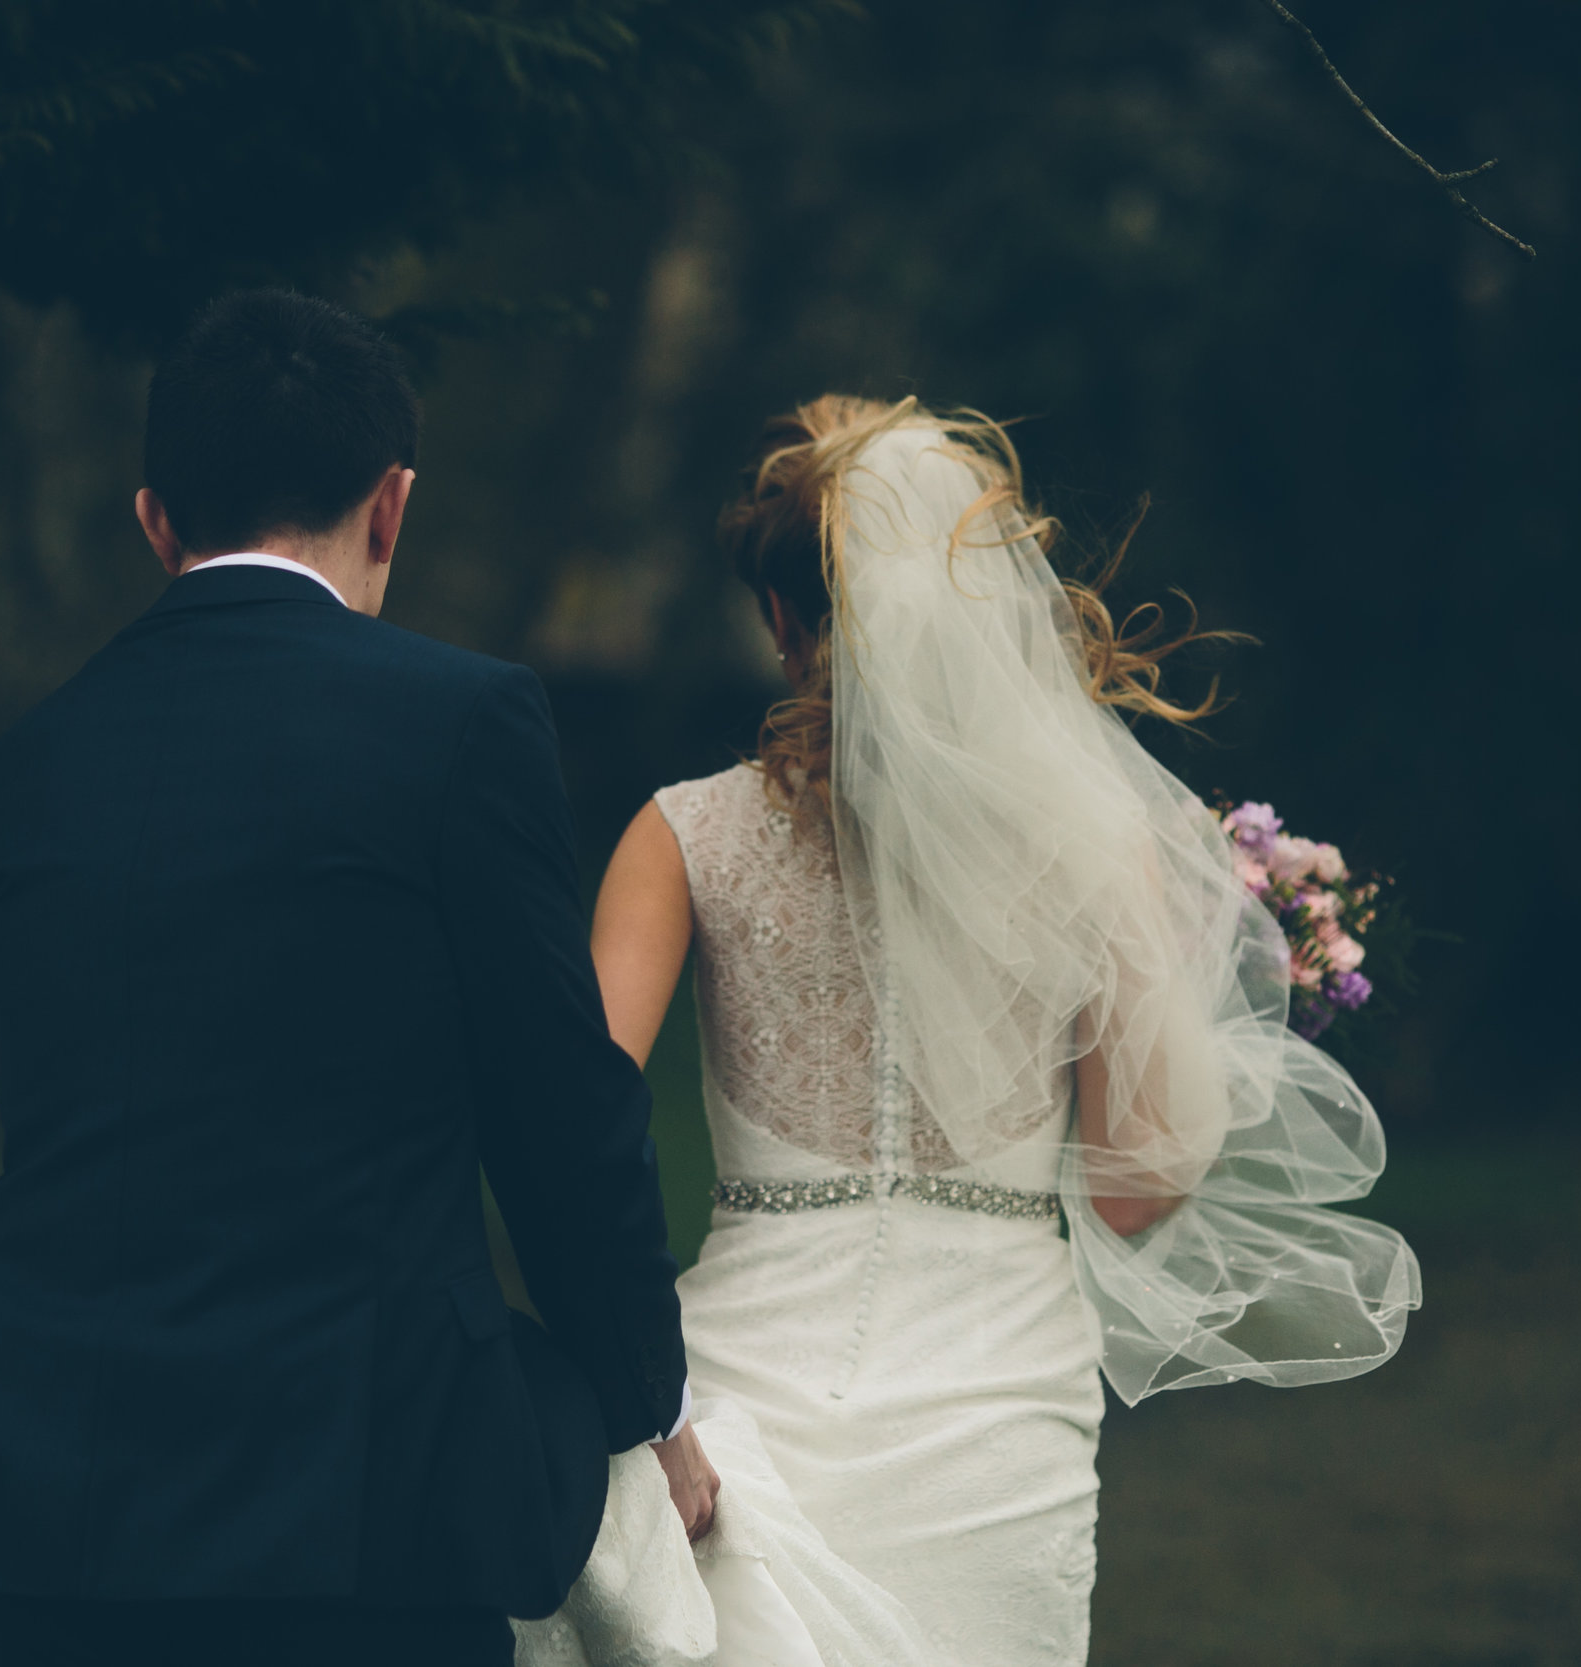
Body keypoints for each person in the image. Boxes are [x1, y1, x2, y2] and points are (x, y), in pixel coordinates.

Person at [0, 288, 718, 1667]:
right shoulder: (463, 726)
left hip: (51, 1502)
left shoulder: (20, 773)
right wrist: (647, 1404)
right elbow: (561, 1117)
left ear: (155, 517)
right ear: (391, 505)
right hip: (358, 1515)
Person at [559, 397, 1423, 1666]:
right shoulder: (1091, 844)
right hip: (995, 1409)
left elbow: (572, 1124)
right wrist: (1204, 1004)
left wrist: (629, 1391)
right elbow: (1133, 1191)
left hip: (741, 1391)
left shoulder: (679, 835)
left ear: (782, 620)